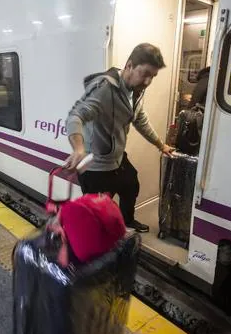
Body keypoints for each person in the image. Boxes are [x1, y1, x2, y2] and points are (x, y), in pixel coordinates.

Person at [65, 43, 174, 233]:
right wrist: (78, 148)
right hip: (95, 164)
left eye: (153, 76)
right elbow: (76, 116)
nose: (148, 81)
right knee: (95, 214)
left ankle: (127, 220)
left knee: (131, 185)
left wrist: (161, 145)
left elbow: (140, 120)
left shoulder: (136, 91)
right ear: (130, 65)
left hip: (117, 158)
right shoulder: (104, 89)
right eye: (145, 73)